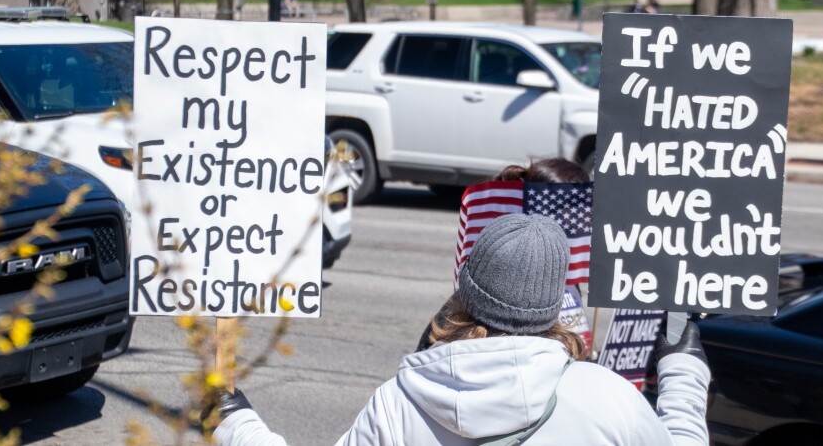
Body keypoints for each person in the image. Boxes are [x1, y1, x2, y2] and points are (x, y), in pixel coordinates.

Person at [213, 213, 710, 446]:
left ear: (464, 296)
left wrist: (234, 422)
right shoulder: (605, 399)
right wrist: (683, 369)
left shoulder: (399, 403)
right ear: (553, 307)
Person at [416, 157, 590, 352]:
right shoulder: (486, 290)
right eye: (577, 212)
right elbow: (432, 352)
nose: (585, 224)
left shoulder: (566, 279)